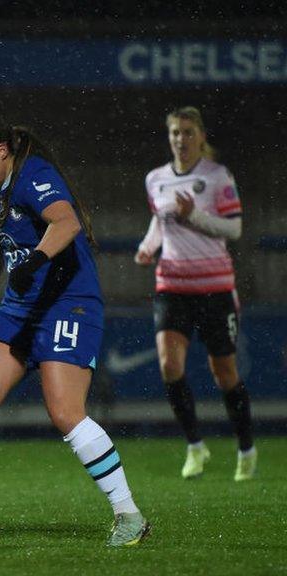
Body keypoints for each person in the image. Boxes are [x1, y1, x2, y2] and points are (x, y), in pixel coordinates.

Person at [0, 117, 149, 547]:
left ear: (1, 150)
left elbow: (66, 223)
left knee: (65, 412)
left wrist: (36, 261)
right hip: (21, 307)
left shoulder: (34, 174)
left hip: (69, 303)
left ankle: (129, 514)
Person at [135, 106, 255, 481]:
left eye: (188, 133)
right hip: (172, 285)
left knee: (224, 373)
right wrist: (148, 246)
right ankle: (194, 447)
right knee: (170, 366)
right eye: (175, 133)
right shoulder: (155, 179)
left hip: (215, 288)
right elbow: (160, 220)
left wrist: (195, 217)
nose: (180, 140)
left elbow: (233, 229)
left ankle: (246, 447)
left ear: (201, 137)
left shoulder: (217, 177)